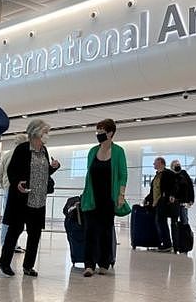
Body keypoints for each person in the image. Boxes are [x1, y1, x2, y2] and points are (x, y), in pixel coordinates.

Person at [0, 119, 60, 277]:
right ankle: (4, 262)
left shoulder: (44, 150)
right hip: (22, 199)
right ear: (36, 133)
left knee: (35, 234)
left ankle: (28, 266)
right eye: (45, 132)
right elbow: (12, 172)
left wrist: (53, 168)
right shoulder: (22, 149)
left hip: (39, 200)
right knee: (14, 231)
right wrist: (18, 182)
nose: (47, 135)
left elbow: (42, 173)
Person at [80, 119, 128, 277]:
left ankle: (104, 263)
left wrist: (121, 194)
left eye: (101, 132)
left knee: (106, 231)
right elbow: (89, 174)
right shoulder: (92, 151)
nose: (98, 135)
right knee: (89, 231)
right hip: (91, 198)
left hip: (109, 199)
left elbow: (123, 175)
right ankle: (88, 264)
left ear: (110, 133)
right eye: (97, 132)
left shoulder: (118, 151)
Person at [0, 134, 28, 252]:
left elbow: (0, 173)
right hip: (17, 189)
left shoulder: (7, 155)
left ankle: (7, 242)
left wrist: (3, 185)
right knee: (16, 218)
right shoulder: (23, 155)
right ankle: (9, 243)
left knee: (8, 216)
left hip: (7, 187)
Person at [143, 157, 178, 252]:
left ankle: (167, 244)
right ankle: (165, 243)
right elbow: (153, 191)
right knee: (160, 222)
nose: (153, 164)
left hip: (163, 202)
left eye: (155, 162)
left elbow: (174, 186)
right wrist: (147, 198)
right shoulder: (157, 176)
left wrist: (171, 195)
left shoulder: (168, 174)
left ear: (161, 163)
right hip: (156, 203)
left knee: (161, 222)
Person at [170, 160, 194, 225]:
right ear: (172, 167)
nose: (178, 166)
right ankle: (176, 235)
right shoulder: (170, 176)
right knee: (174, 222)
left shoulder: (184, 173)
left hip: (184, 202)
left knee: (184, 220)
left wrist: (191, 200)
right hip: (174, 203)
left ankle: (186, 234)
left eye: (178, 164)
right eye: (176, 165)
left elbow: (190, 187)